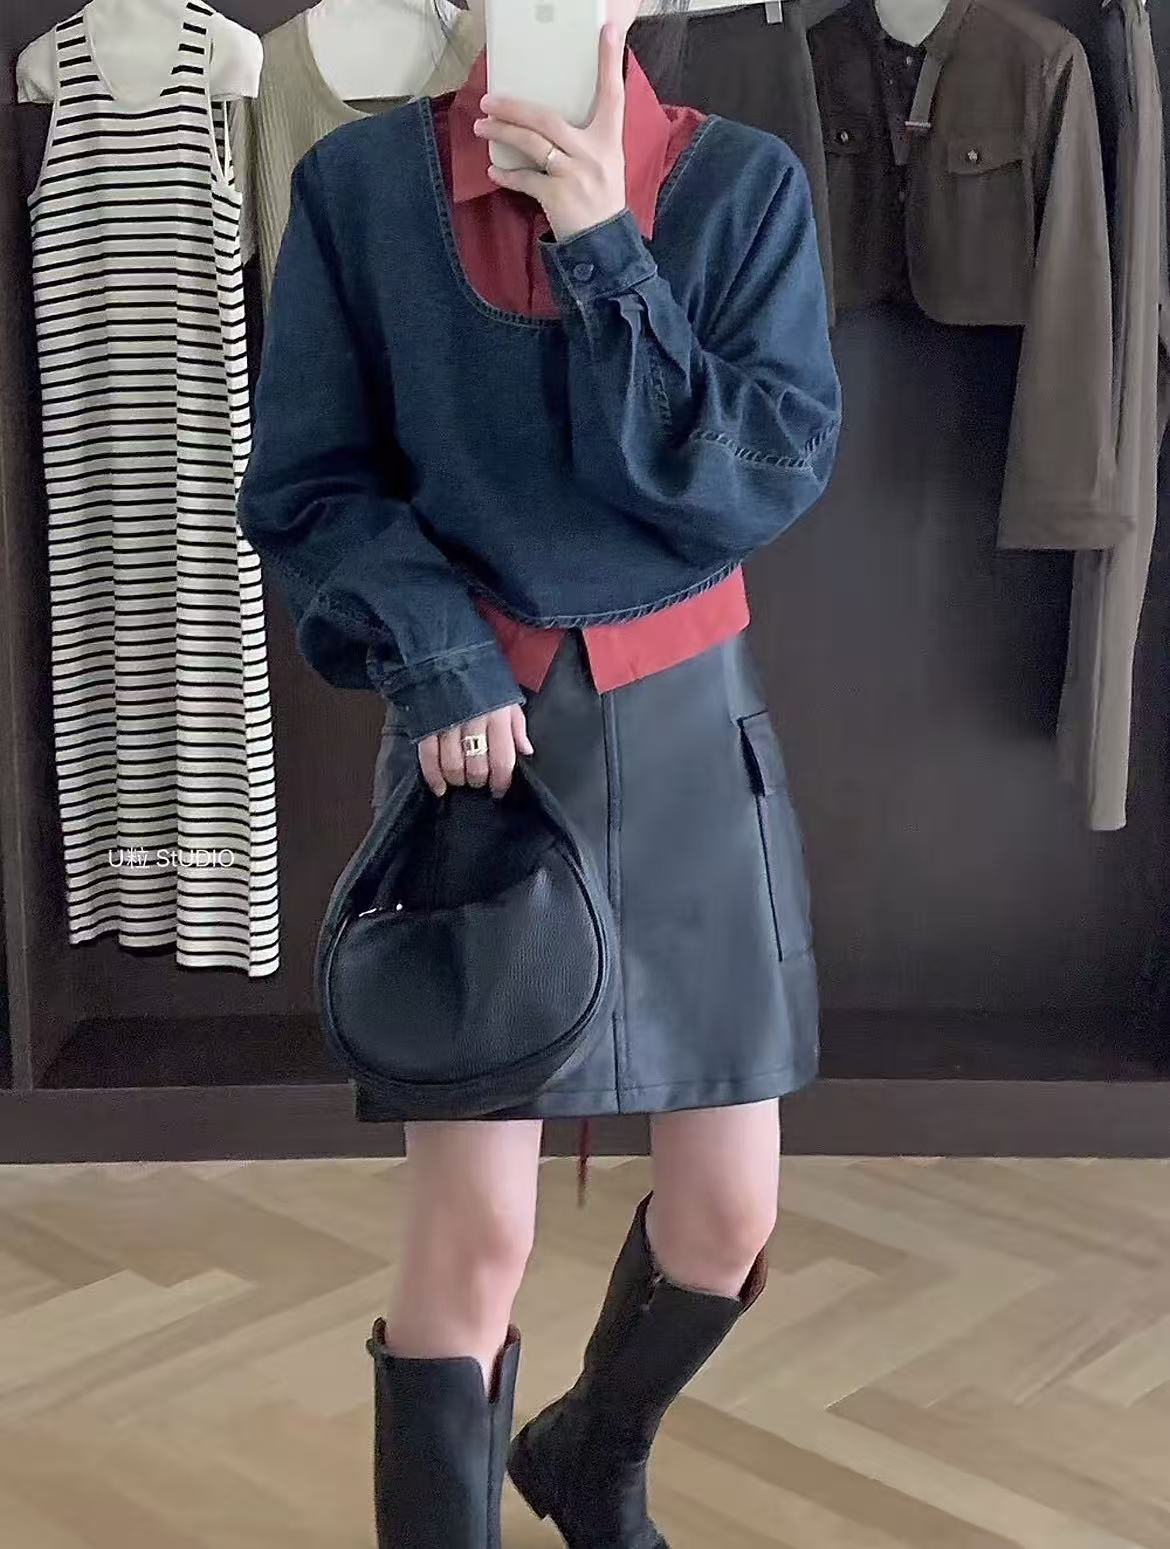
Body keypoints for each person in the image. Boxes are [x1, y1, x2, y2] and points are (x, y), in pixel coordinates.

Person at [237, 0, 840, 1541]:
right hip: (480, 752)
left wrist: (603, 254)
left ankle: (588, 1456)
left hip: (694, 740)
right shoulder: (360, 190)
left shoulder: (741, 185)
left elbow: (759, 475)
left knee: (727, 1213)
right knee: (476, 1233)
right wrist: (436, 656)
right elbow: (307, 484)